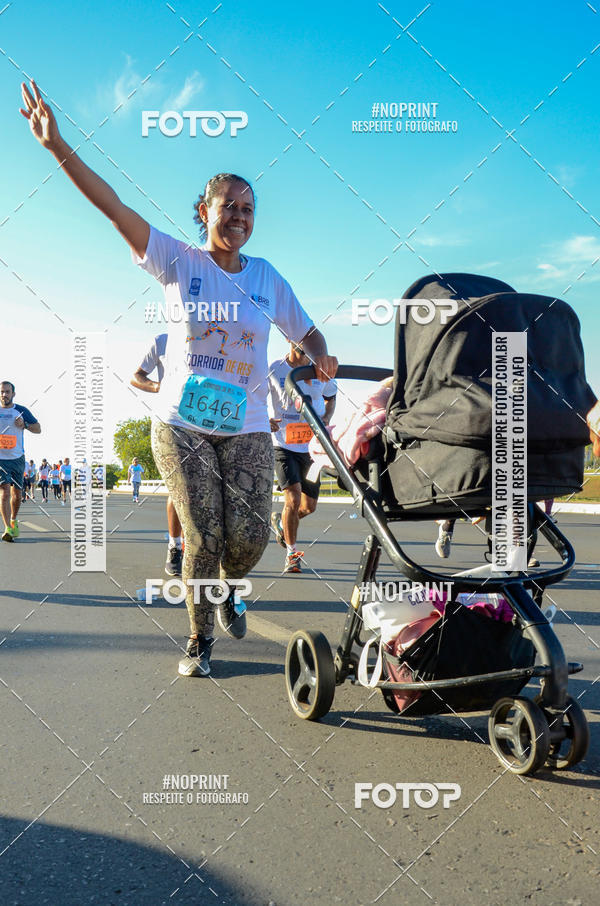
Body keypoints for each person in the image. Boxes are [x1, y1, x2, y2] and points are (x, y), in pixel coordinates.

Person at [21, 79, 337, 677]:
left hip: (245, 427)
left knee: (246, 544)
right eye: (228, 207)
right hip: (181, 424)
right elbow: (112, 206)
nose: (239, 217)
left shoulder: (268, 277)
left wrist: (318, 352)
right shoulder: (176, 260)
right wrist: (57, 147)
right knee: (203, 536)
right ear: (204, 212)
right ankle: (199, 641)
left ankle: (230, 591)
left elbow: (310, 334)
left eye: (248, 210)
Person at [268, 341, 336, 573]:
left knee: (308, 507)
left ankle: (280, 522)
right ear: (288, 340)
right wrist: (264, 419)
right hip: (283, 446)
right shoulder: (274, 369)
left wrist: (325, 417)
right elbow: (254, 397)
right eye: (299, 341)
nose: (305, 347)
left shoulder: (322, 369)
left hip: (312, 447)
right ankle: (292, 555)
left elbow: (331, 397)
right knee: (293, 499)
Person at [131, 334, 184, 576]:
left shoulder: (218, 336)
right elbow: (137, 377)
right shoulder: (163, 341)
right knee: (178, 487)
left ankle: (202, 550)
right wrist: (160, 387)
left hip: (213, 425)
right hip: (174, 424)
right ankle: (175, 545)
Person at [0, 380, 41, 541]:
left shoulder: (21, 411)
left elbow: (38, 429)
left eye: (7, 392)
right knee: (4, 492)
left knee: (17, 494)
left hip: (17, 458)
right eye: (2, 392)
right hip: (1, 460)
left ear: (13, 394)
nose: (4, 394)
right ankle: (8, 529)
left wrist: (24, 425)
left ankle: (13, 520)